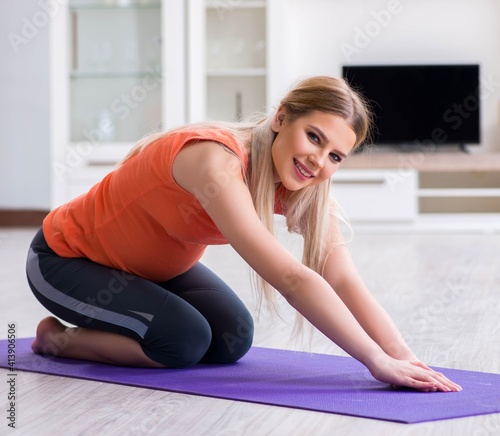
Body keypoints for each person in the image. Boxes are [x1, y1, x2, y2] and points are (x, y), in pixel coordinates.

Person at [27, 76, 461, 392]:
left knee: (233, 336)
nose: (318, 161)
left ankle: (132, 320)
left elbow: (342, 277)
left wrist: (400, 353)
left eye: (335, 155)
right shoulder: (216, 163)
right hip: (66, 261)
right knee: (183, 341)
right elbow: (292, 279)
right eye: (313, 137)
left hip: (150, 271)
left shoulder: (298, 182)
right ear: (282, 116)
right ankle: (59, 340)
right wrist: (374, 362)